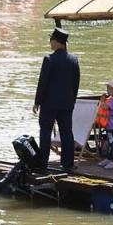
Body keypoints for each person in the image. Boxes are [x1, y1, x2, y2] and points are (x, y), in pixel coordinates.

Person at [34, 27, 81, 174]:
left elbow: (43, 83)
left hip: (49, 104)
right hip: (67, 103)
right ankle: (68, 164)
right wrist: (72, 100)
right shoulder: (73, 60)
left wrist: (37, 101)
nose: (50, 44)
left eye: (51, 41)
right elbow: (76, 83)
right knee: (67, 133)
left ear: (56, 42)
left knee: (45, 132)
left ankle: (43, 164)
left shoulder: (49, 59)